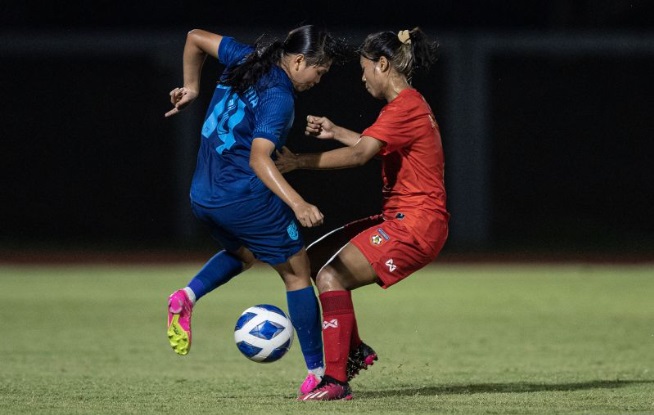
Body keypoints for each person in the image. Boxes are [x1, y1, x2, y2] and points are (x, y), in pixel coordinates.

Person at [164, 26, 350, 394]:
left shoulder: (248, 57)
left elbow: (194, 37)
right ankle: (317, 375)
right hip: (242, 197)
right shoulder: (279, 98)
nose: (319, 80)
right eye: (320, 71)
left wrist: (193, 87)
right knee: (298, 272)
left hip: (203, 194)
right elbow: (259, 157)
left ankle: (186, 296)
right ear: (299, 61)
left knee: (245, 252)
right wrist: (298, 203)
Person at [275, 27, 449, 401]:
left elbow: (361, 155)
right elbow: (370, 144)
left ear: (382, 64)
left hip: (417, 226)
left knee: (332, 277)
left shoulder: (405, 107)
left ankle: (336, 381)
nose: (363, 76)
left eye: (364, 68)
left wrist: (299, 162)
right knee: (310, 262)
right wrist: (336, 130)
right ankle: (353, 349)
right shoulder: (407, 105)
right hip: (402, 219)